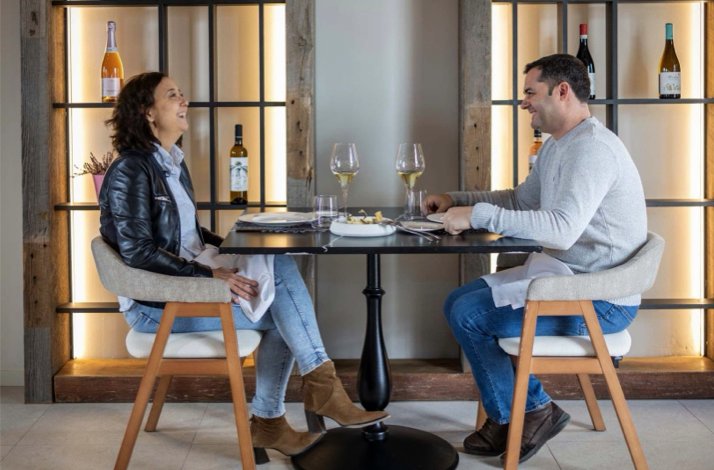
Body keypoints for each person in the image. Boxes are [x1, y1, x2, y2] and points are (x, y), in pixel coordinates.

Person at [99, 71, 388, 459]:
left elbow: (186, 234)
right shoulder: (131, 169)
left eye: (182, 93)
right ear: (148, 112)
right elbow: (138, 252)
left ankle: (287, 411)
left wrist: (240, 240)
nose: (185, 101)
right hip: (157, 307)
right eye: (173, 95)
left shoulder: (171, 162)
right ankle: (307, 397)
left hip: (187, 285)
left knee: (277, 274)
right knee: (282, 308)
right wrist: (209, 274)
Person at [425, 54, 647, 463]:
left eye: (530, 92)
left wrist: (476, 216)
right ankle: (516, 412)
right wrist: (459, 200)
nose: (523, 102)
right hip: (567, 279)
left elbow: (562, 230)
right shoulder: (559, 146)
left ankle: (530, 411)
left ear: (562, 92)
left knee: (471, 315)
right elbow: (519, 200)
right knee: (457, 302)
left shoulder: (593, 151)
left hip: (599, 300)